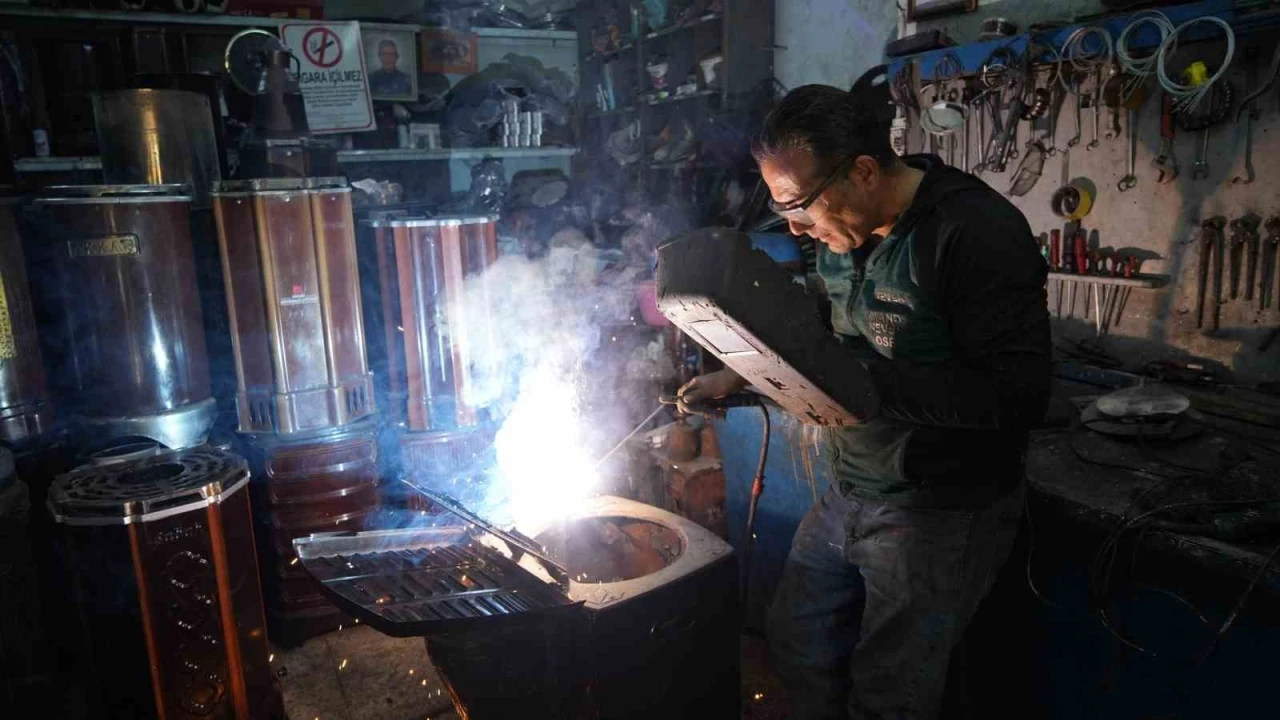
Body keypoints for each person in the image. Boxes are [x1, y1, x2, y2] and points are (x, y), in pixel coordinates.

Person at [678, 84, 1050, 719]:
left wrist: (858, 381)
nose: (795, 228)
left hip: (939, 508)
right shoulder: (841, 233)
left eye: (800, 206)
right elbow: (823, 329)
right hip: (851, 485)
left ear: (865, 171)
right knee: (797, 638)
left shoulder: (975, 231)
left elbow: (1019, 396)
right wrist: (739, 374)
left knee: (889, 689)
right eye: (782, 210)